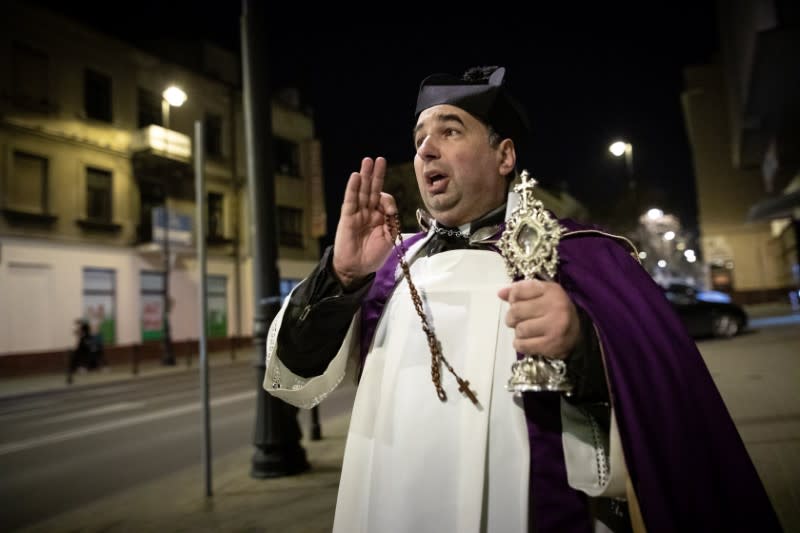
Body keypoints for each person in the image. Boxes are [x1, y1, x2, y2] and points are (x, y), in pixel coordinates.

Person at [264, 66, 781, 532]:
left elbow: (661, 390)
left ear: (504, 155)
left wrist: (581, 341)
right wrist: (342, 274)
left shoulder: (581, 254)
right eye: (419, 137)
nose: (424, 150)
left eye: (449, 130)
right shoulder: (389, 267)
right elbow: (295, 372)